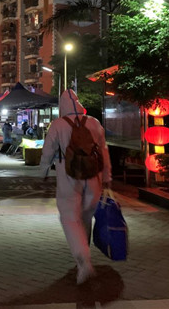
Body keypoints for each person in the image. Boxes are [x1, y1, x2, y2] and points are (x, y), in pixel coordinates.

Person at [40, 89, 112, 285]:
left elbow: (47, 151)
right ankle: (84, 255)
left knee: (70, 218)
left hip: (68, 177)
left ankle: (83, 261)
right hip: (93, 177)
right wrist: (107, 176)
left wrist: (43, 171)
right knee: (86, 217)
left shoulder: (58, 124)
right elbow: (104, 151)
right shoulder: (94, 123)